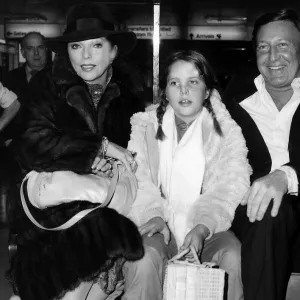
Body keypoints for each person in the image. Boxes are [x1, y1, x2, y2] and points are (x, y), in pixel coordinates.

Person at [7, 2, 147, 299]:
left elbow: (141, 160)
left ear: (113, 51)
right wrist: (98, 149)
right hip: (52, 223)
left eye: (96, 45)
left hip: (106, 219)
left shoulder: (132, 98)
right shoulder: (48, 86)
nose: (85, 56)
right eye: (76, 46)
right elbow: (30, 145)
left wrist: (118, 166)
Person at [126, 50, 251, 300]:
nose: (183, 91)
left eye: (193, 82)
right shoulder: (146, 127)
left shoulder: (225, 131)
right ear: (165, 92)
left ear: (207, 91)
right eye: (175, 83)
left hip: (209, 227)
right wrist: (154, 215)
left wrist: (203, 227)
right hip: (162, 224)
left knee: (233, 255)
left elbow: (231, 183)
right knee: (143, 255)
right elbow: (136, 178)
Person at [226, 9, 300, 300]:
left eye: (283, 45)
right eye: (263, 47)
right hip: (257, 216)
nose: (273, 57)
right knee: (269, 210)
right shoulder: (235, 99)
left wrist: (287, 176)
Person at [4, 32, 49, 106]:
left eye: (40, 47)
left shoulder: (60, 77)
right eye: (30, 48)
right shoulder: (8, 78)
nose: (36, 53)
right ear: (23, 53)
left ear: (46, 50)